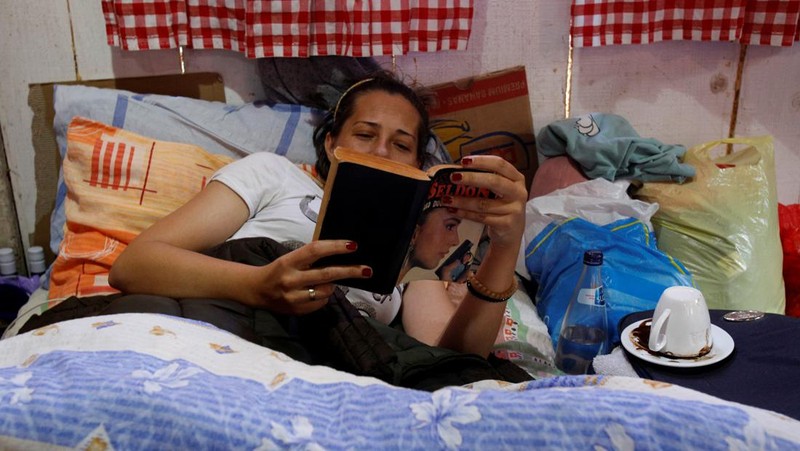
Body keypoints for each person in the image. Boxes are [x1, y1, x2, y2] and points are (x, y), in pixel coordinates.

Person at [101, 70, 527, 359]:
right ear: (331, 144)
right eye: (364, 134)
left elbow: (453, 360)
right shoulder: (275, 175)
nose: (380, 151)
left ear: (418, 164)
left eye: (400, 145)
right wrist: (258, 285)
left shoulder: (413, 246)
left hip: (330, 364)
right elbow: (133, 266)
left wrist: (505, 249)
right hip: (228, 331)